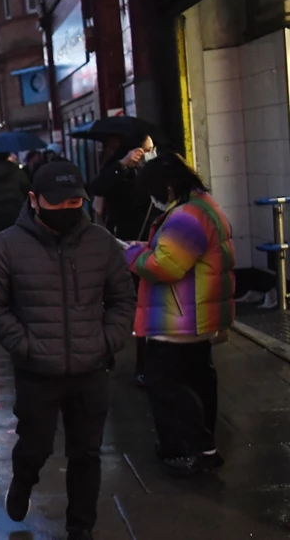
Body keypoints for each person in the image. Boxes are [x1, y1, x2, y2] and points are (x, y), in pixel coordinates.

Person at [0, 161, 136, 540]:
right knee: (34, 447)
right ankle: (22, 481)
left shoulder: (100, 242)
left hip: (91, 368)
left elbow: (122, 299)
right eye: (57, 203)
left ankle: (81, 527)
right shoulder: (7, 245)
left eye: (74, 202)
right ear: (34, 200)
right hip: (37, 371)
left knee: (87, 454)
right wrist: (25, 344)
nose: (67, 210)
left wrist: (107, 340)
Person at [125, 153, 235, 477]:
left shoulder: (187, 216)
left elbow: (165, 266)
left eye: (154, 193)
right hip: (195, 315)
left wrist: (132, 254)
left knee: (165, 384)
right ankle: (202, 445)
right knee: (199, 379)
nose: (153, 200)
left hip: (179, 319)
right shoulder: (203, 207)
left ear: (169, 188)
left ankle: (196, 447)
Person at [89, 132, 160, 385]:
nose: (150, 153)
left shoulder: (151, 173)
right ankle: (106, 353)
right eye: (146, 148)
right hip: (118, 246)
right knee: (114, 304)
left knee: (142, 307)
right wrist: (122, 165)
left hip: (144, 247)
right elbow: (96, 188)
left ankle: (143, 367)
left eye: (152, 149)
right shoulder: (116, 170)